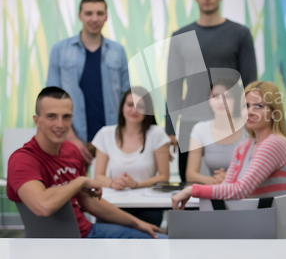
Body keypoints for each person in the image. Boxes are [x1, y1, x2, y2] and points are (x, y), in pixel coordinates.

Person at [7, 87, 167, 239]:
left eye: (66, 117)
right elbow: (43, 206)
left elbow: (88, 201)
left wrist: (137, 224)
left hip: (88, 231)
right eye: (51, 116)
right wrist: (80, 181)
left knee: (162, 240)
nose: (60, 125)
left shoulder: (71, 151)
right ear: (37, 120)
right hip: (60, 243)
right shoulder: (22, 160)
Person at [166, 0, 257, 182]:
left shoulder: (240, 34)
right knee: (190, 187)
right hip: (190, 122)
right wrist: (170, 129)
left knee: (235, 184)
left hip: (230, 124)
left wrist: (250, 120)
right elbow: (173, 86)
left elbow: (250, 84)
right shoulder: (180, 36)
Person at [172, 81, 286, 208]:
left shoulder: (275, 143)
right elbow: (227, 187)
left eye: (258, 106)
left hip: (272, 224)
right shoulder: (243, 147)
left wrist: (192, 190)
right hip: (252, 220)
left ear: (274, 114)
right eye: (246, 106)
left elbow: (240, 189)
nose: (250, 111)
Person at [47, 0, 130, 165]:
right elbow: (51, 98)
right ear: (80, 15)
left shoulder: (118, 51)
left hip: (110, 138)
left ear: (106, 16)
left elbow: (125, 96)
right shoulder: (60, 50)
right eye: (89, 13)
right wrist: (70, 137)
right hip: (71, 137)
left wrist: (124, 136)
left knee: (110, 189)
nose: (94, 19)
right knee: (72, 189)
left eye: (99, 13)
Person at [92, 87, 171, 226]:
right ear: (122, 107)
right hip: (113, 204)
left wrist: (136, 185)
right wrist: (112, 183)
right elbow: (98, 176)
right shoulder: (105, 134)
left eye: (141, 106)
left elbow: (164, 177)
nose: (134, 110)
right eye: (130, 104)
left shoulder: (157, 134)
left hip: (147, 206)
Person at [186, 79, 248, 185]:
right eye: (216, 96)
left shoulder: (248, 127)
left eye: (227, 97)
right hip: (215, 192)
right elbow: (190, 175)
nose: (221, 101)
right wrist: (215, 180)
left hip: (246, 191)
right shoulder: (200, 129)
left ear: (237, 100)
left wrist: (228, 179)